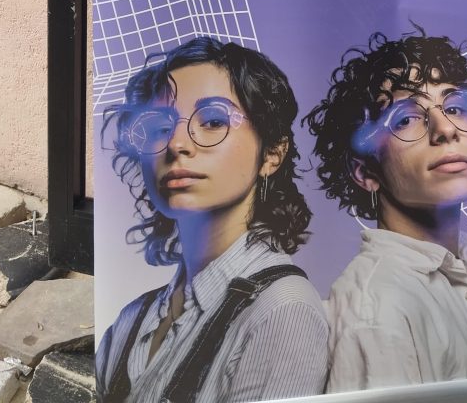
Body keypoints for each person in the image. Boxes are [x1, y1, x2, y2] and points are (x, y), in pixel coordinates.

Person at [97, 36, 328, 403]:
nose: (176, 144)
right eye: (159, 127)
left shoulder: (282, 310)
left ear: (272, 153)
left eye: (213, 121)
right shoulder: (130, 321)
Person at [304, 28, 467, 392]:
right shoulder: (378, 311)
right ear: (365, 172)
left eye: (455, 107)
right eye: (406, 118)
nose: (445, 128)